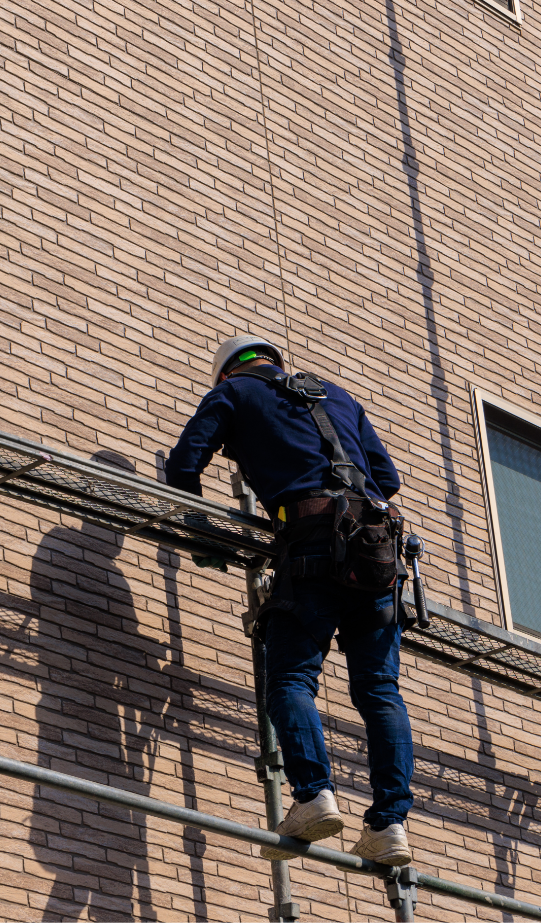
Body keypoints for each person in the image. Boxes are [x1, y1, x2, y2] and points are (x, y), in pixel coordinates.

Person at [165, 333, 416, 867]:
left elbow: (185, 462)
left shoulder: (233, 393)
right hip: (379, 554)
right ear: (276, 361)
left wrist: (200, 530)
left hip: (311, 552)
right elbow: (387, 480)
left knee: (290, 679)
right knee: (378, 691)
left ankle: (313, 795)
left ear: (227, 372)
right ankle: (390, 823)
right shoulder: (339, 396)